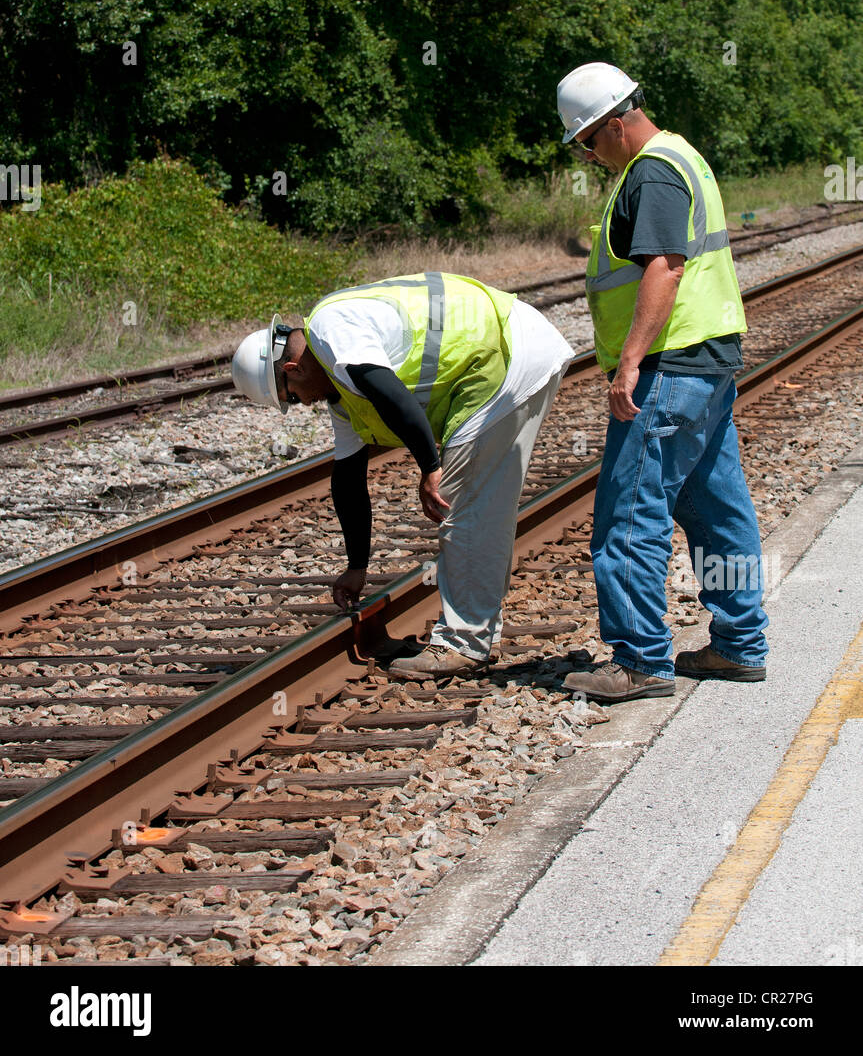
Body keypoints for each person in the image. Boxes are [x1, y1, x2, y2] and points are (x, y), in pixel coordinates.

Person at [231, 272, 573, 680]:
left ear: (293, 369)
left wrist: (430, 467)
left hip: (504, 353)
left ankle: (465, 645)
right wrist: (357, 566)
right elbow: (349, 478)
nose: (303, 405)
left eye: (292, 399)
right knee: (475, 507)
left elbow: (386, 388)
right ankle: (475, 634)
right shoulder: (341, 390)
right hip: (501, 356)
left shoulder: (331, 329)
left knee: (462, 507)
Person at [556, 62, 768, 704]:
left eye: (590, 141)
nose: (590, 156)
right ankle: (739, 645)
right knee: (715, 508)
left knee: (628, 511)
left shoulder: (650, 170)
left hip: (669, 368)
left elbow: (665, 269)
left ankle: (642, 660)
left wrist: (629, 363)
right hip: (707, 363)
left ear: (617, 123)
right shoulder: (683, 157)